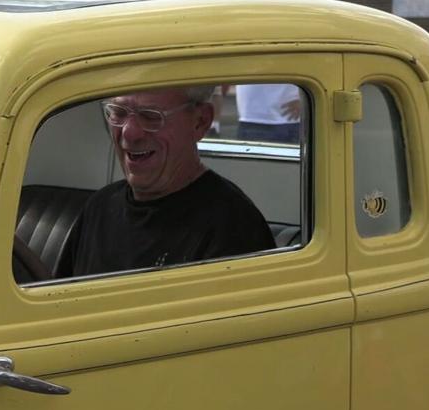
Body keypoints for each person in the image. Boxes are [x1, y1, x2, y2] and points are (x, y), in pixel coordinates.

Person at [55, 86, 275, 278]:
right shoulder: (99, 207)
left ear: (200, 122)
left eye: (151, 116)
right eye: (118, 113)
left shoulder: (232, 227)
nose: (129, 133)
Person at [235, 0, 302, 143]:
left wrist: (305, 100)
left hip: (284, 123)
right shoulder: (242, 21)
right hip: (249, 120)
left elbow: (318, 62)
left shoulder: (294, 22)